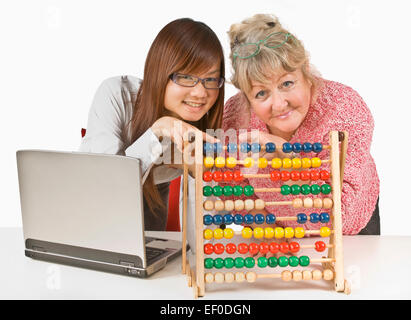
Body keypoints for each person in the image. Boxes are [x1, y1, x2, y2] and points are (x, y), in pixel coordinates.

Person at [222, 14, 380, 235]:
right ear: (245, 97)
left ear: (305, 69)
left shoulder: (345, 109)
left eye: (287, 83)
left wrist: (286, 162)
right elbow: (233, 188)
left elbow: (339, 215)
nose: (278, 104)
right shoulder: (235, 118)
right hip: (275, 232)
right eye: (260, 93)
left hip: (347, 231)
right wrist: (263, 225)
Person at [79, 18, 225, 233]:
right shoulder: (117, 94)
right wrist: (157, 132)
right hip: (91, 210)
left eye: (211, 79)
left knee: (157, 259)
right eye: (186, 77)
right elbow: (106, 185)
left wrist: (199, 175)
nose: (201, 93)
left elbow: (206, 241)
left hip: (153, 209)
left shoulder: (204, 129)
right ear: (159, 72)